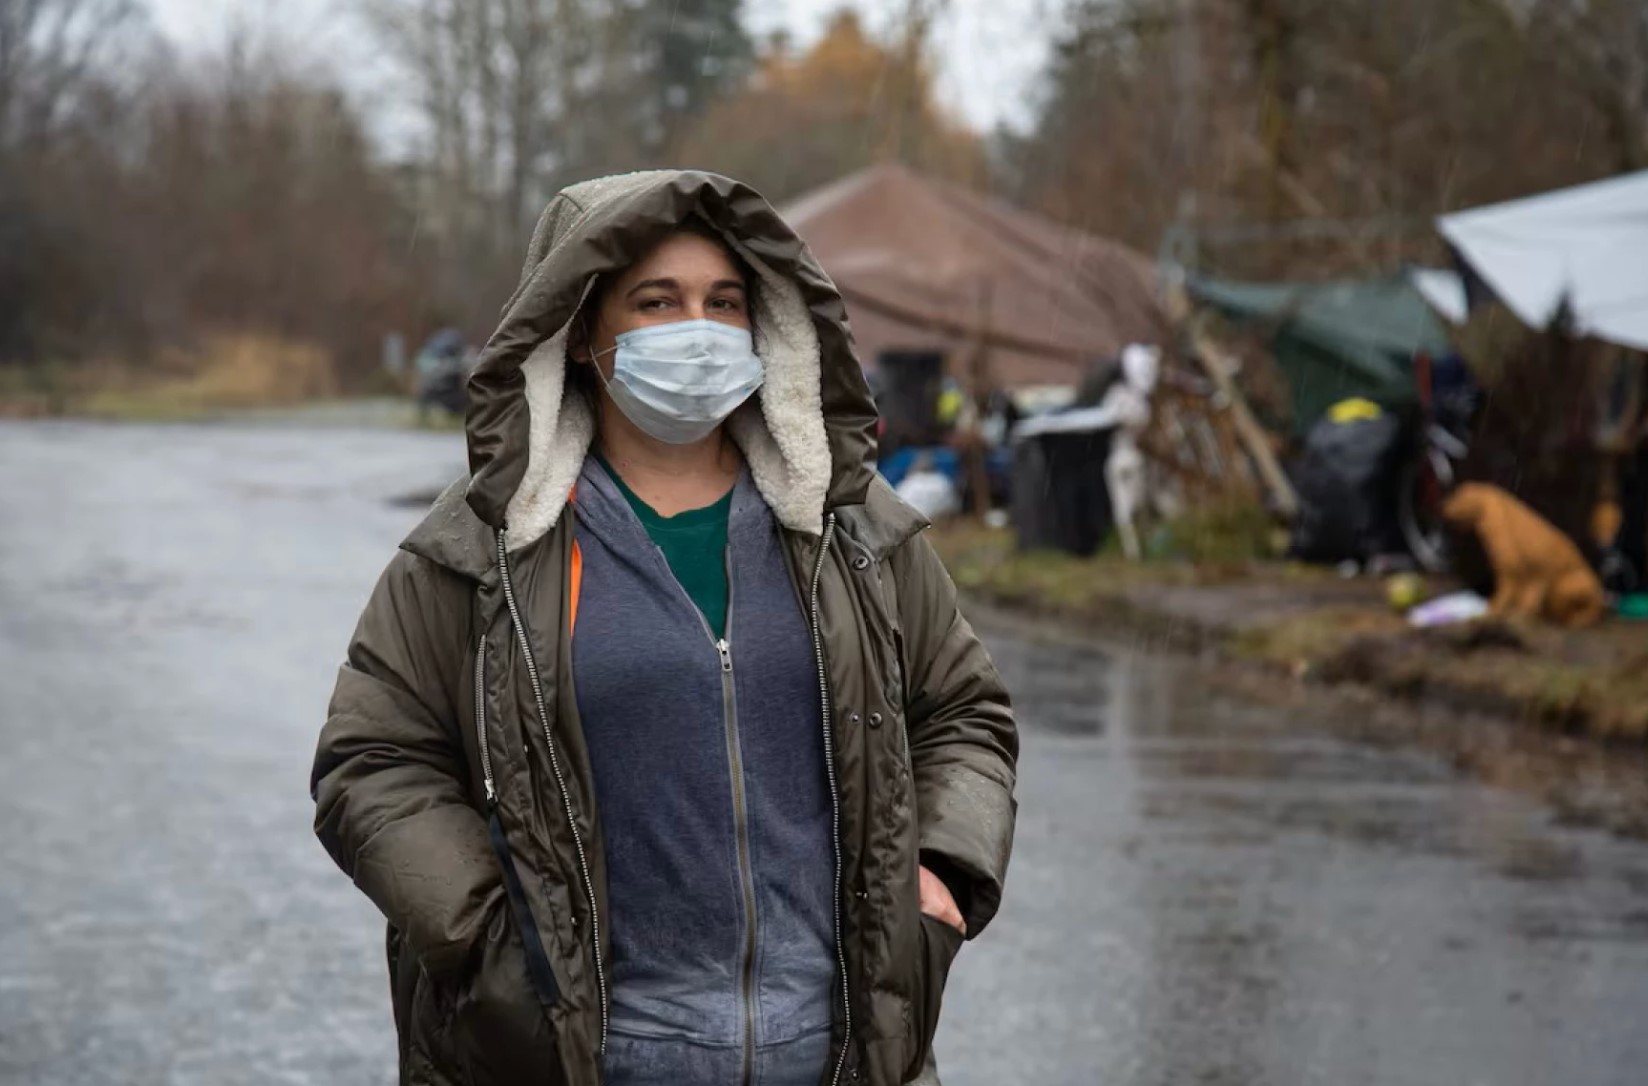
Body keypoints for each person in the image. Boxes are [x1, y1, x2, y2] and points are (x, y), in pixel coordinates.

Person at [310, 170, 1018, 1086]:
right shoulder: (481, 548)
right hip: (580, 1062)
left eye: (725, 301)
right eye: (658, 300)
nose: (701, 328)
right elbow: (374, 760)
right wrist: (498, 941)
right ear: (580, 330)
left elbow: (965, 714)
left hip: (840, 1060)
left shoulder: (854, 530)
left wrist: (942, 872)